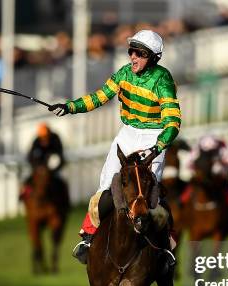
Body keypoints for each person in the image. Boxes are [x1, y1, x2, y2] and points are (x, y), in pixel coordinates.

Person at [47, 29, 182, 264]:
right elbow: (98, 97)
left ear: (153, 57)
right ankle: (89, 236)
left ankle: (165, 245)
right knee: (107, 186)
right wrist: (69, 107)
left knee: (151, 194)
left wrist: (158, 147)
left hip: (153, 136)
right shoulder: (123, 74)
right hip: (127, 135)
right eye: (131, 51)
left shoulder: (163, 80)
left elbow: (173, 122)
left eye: (139, 53)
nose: (133, 57)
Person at [181, 134, 228, 207]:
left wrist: (225, 170)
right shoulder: (196, 150)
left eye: (211, 151)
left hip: (217, 177)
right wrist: (195, 171)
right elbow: (188, 164)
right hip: (201, 176)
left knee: (225, 186)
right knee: (191, 185)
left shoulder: (222, 149)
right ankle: (182, 201)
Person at [22, 123, 66, 200]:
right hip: (39, 168)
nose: (44, 139)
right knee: (27, 181)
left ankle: (63, 200)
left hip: (52, 170)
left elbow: (59, 156)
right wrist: (37, 167)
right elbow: (30, 156)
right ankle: (24, 195)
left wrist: (51, 169)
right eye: (42, 137)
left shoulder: (55, 139)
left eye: (45, 136)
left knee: (60, 183)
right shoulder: (36, 141)